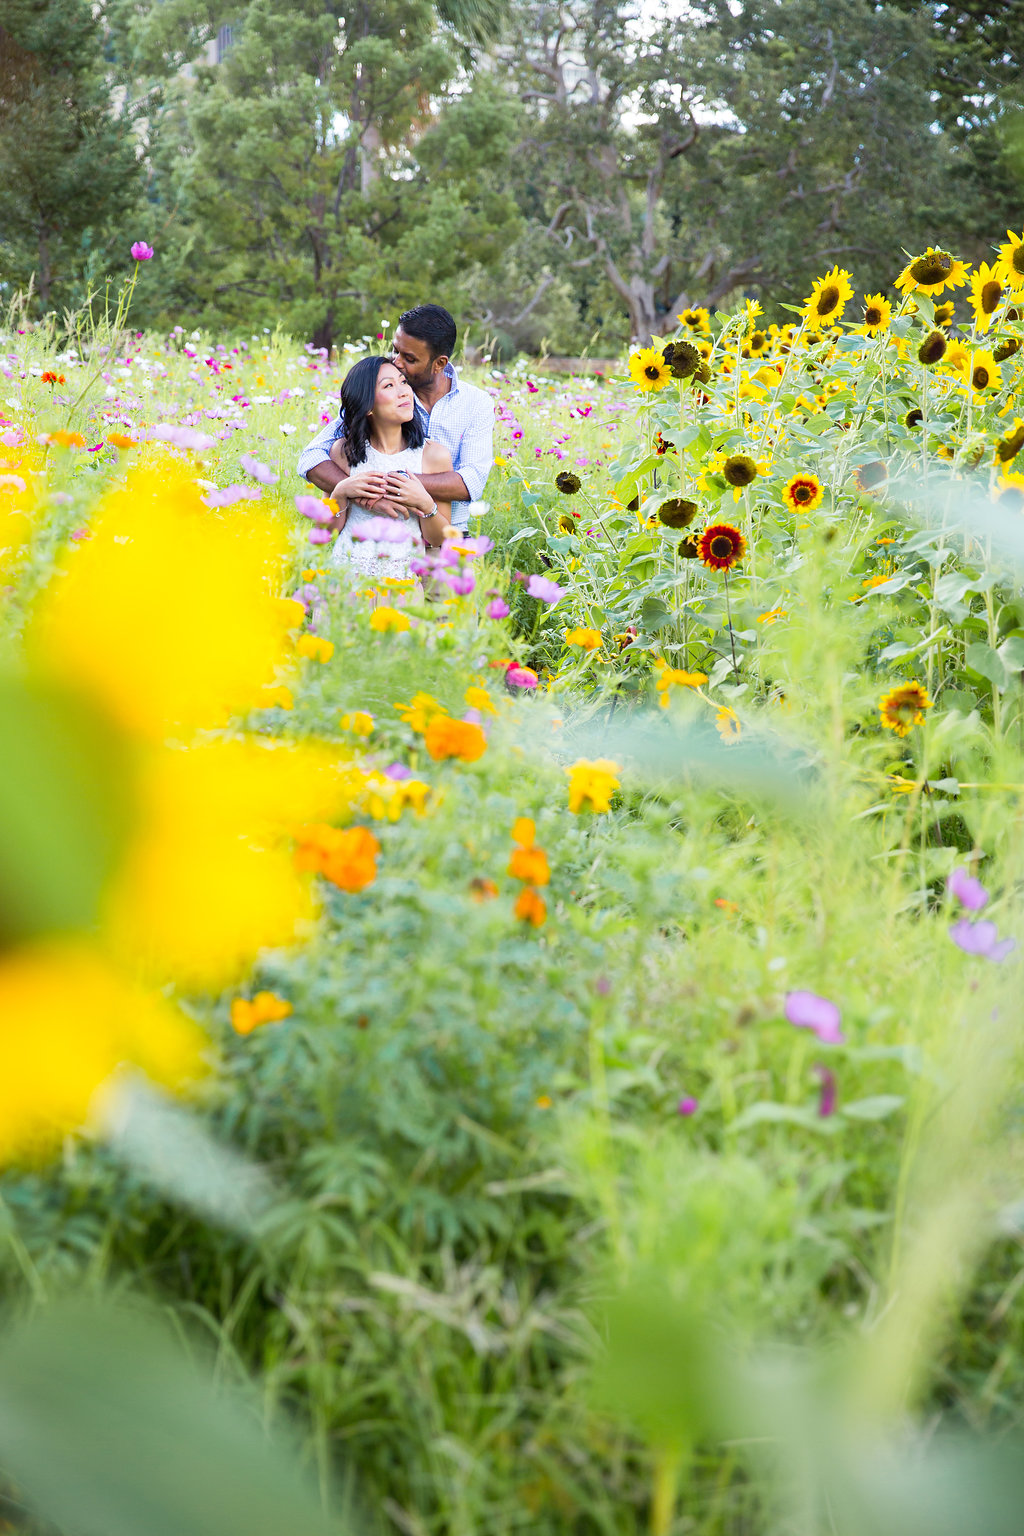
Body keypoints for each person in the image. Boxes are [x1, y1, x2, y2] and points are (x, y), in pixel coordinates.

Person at [297, 304, 494, 530]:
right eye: (395, 350)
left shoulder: (476, 404)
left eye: (409, 358)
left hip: (445, 534)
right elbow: (311, 458)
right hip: (374, 531)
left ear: (439, 363)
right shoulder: (382, 394)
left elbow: (470, 482)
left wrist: (393, 486)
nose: (396, 362)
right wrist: (364, 493)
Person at [324, 355, 452, 580]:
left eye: (403, 382)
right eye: (389, 385)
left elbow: (441, 539)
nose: (404, 391)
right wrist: (340, 492)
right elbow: (328, 532)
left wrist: (425, 503)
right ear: (368, 406)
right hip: (344, 585)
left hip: (401, 586)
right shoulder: (342, 451)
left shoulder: (433, 455)